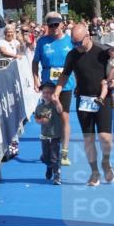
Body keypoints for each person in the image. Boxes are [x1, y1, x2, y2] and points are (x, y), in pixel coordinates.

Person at [54, 22, 114, 187]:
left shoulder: (103, 51)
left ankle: (106, 161)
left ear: (88, 36)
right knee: (88, 139)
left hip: (103, 99)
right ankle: (94, 172)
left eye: (79, 43)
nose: (76, 46)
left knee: (105, 137)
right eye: (73, 43)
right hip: (83, 100)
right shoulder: (72, 55)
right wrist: (57, 91)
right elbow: (65, 75)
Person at [32, 11, 75, 166]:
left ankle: (64, 152)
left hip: (66, 85)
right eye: (51, 25)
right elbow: (35, 62)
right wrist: (35, 79)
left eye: (56, 24)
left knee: (64, 117)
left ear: (62, 24)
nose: (54, 28)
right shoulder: (42, 42)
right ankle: (47, 150)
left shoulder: (70, 41)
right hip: (48, 84)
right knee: (47, 118)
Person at [33, 80, 64, 185]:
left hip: (55, 135)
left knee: (54, 157)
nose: (46, 94)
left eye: (49, 92)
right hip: (44, 135)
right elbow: (36, 118)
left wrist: (57, 101)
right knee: (46, 157)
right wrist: (41, 121)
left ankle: (57, 175)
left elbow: (60, 110)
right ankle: (49, 166)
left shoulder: (55, 105)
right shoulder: (39, 107)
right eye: (44, 92)